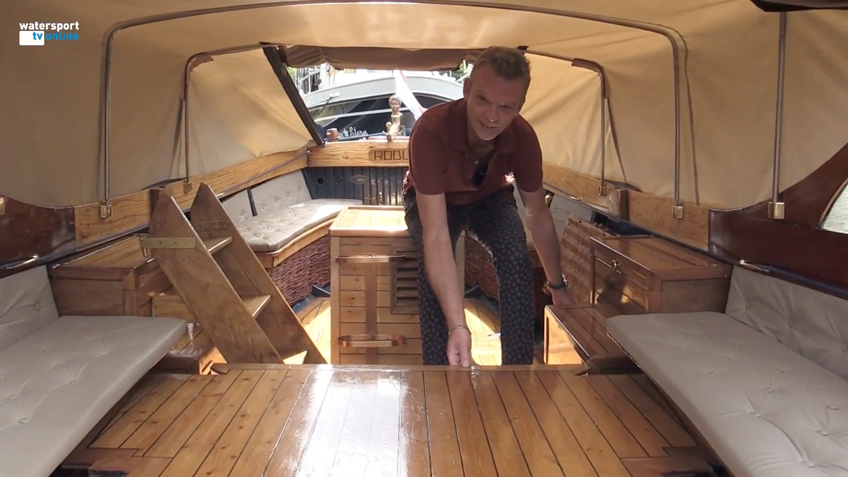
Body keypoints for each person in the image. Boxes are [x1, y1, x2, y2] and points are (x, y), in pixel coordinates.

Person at [402, 46, 574, 367]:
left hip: (489, 197)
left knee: (516, 256)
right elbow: (437, 235)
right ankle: (440, 369)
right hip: (437, 201)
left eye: (506, 107)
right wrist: (458, 325)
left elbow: (538, 215)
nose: (492, 117)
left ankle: (517, 372)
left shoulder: (523, 138)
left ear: (520, 106)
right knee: (432, 269)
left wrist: (557, 286)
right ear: (467, 89)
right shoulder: (430, 131)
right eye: (483, 100)